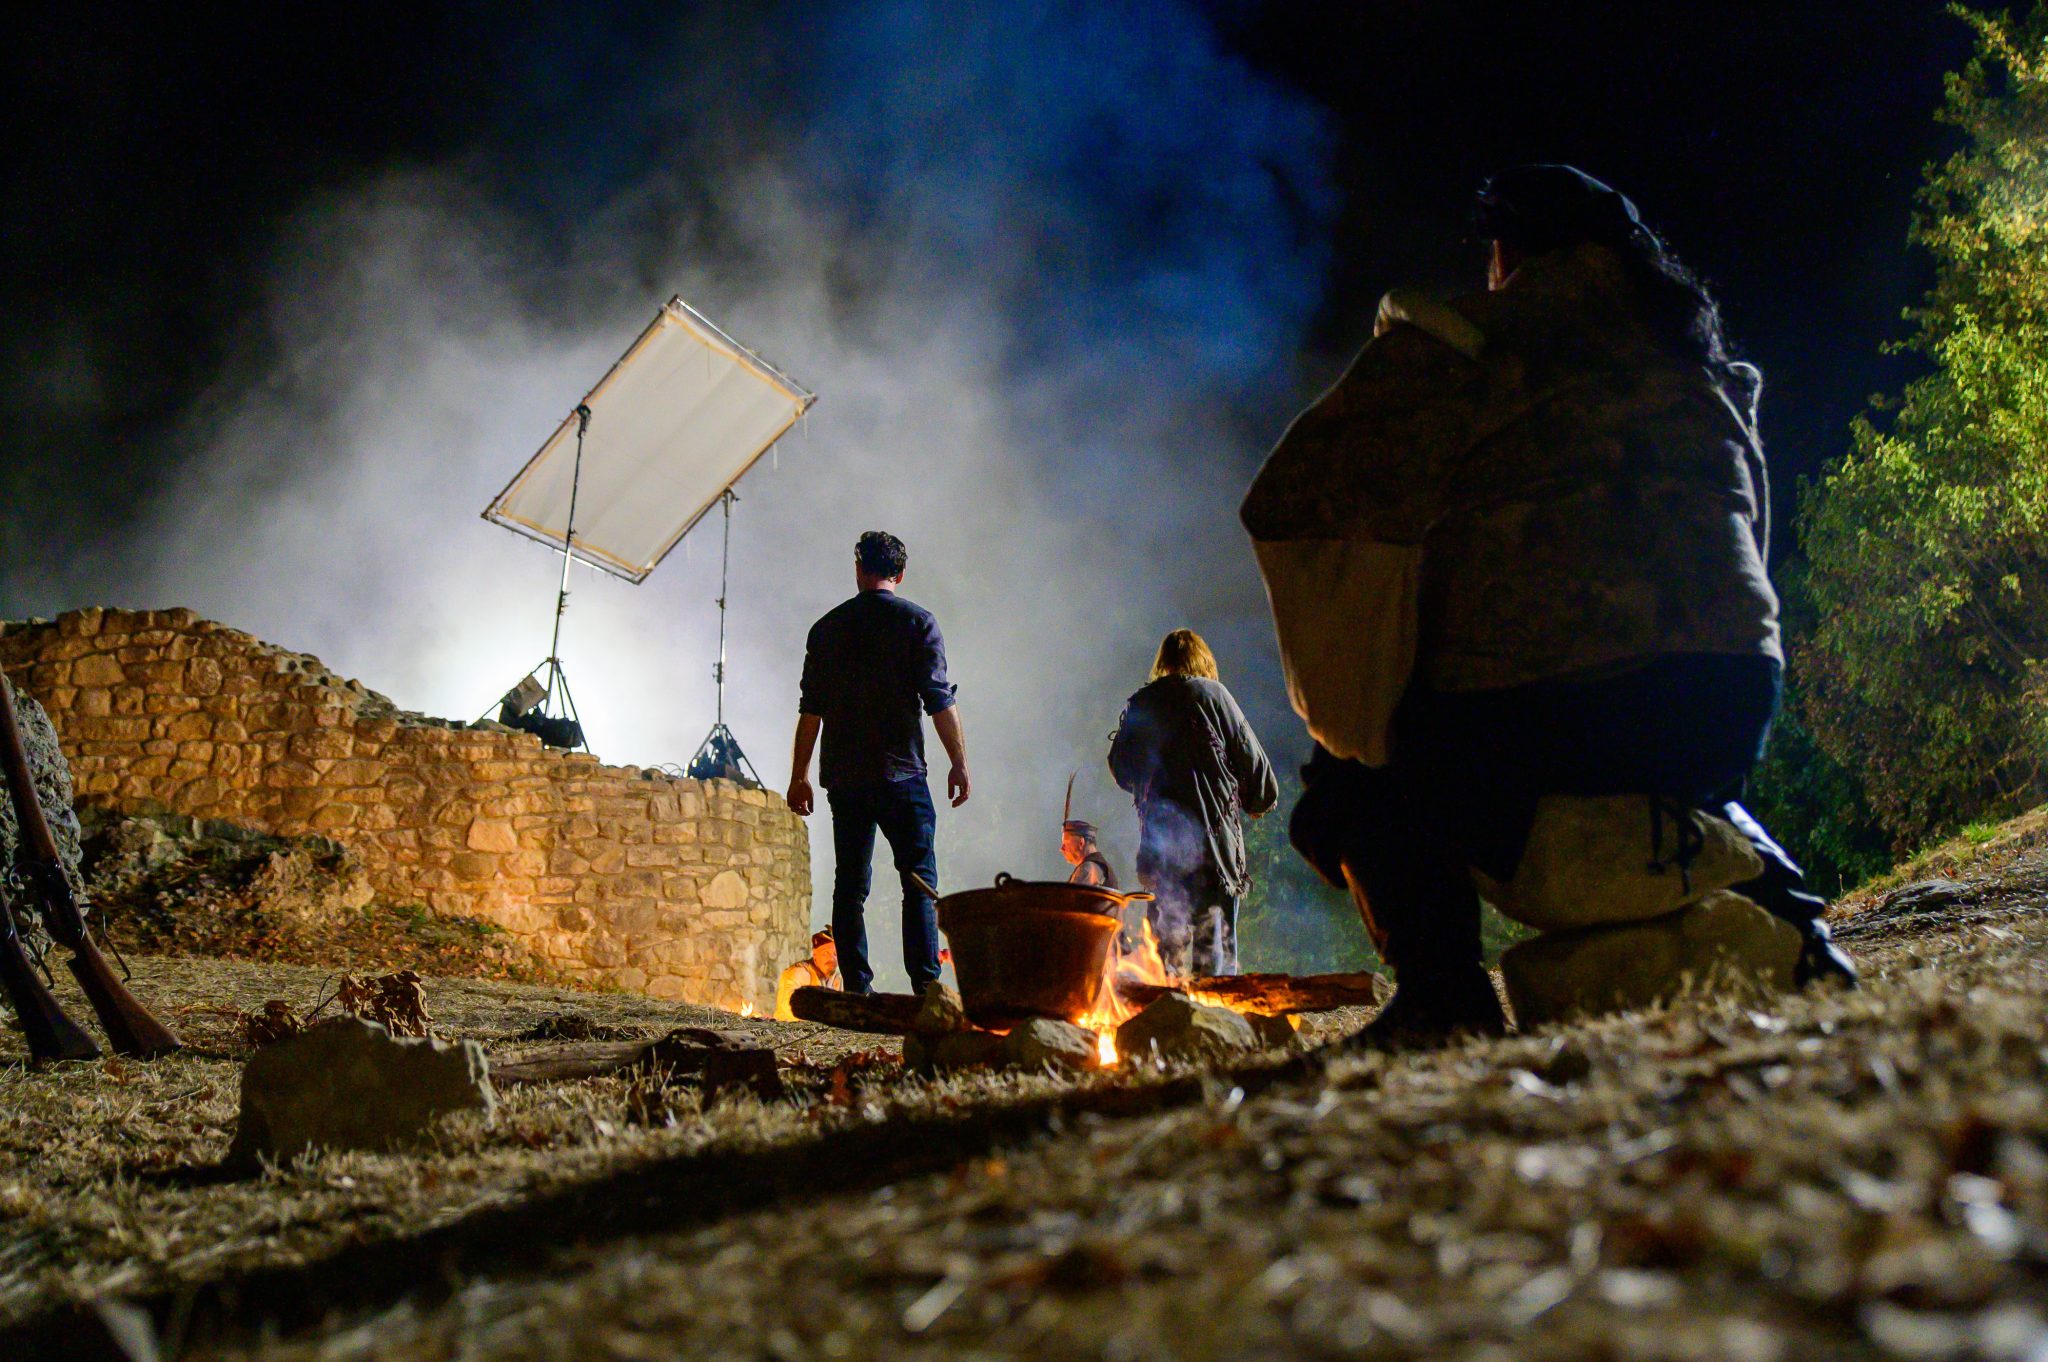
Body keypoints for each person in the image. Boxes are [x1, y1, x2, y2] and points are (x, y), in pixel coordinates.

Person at [1241, 163, 1856, 1042]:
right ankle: (1807, 934)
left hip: (1559, 707)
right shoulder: (1693, 360)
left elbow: (1293, 501)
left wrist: (1368, 674)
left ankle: (1443, 996)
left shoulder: (1461, 345)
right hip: (1728, 702)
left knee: (1351, 777)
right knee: (1682, 789)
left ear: (1507, 253)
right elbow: (1746, 535)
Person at [788, 531, 970, 996]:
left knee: (850, 886)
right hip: (902, 774)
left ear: (858, 569)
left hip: (845, 778)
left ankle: (857, 989)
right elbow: (939, 700)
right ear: (900, 574)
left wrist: (799, 776)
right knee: (919, 881)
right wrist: (958, 763)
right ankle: (926, 987)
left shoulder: (826, 629)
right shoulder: (918, 623)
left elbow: (811, 710)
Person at [1109, 629, 1278, 977]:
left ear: (1164, 662)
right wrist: (1258, 800)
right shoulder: (1213, 694)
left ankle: (1162, 1004)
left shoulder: (1142, 702)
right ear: (1202, 660)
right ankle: (1212, 1006)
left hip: (1161, 846)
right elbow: (1250, 757)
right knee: (1214, 949)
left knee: (1163, 950)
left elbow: (1121, 767)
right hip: (1212, 846)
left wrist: (1150, 782)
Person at [772, 928, 841, 1021]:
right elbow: (789, 1007)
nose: (832, 958)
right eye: (826, 953)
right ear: (815, 955)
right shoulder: (799, 973)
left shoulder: (838, 979)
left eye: (835, 954)